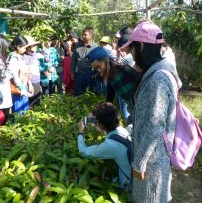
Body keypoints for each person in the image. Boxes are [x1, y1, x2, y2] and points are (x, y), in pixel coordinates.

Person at [120, 20, 181, 203]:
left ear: (140, 46)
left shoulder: (158, 79)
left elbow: (156, 125)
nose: (133, 55)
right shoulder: (157, 72)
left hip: (151, 162)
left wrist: (140, 161)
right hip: (152, 157)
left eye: (133, 49)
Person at [77, 102, 131, 189]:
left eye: (96, 121)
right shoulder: (122, 130)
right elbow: (113, 137)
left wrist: (80, 132)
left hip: (129, 183)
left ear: (101, 125)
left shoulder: (110, 146)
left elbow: (83, 152)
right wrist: (102, 129)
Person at [87, 47, 141, 127]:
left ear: (105, 61)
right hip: (132, 108)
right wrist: (94, 113)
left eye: (99, 66)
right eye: (95, 68)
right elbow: (109, 99)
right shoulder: (110, 78)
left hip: (141, 105)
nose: (98, 70)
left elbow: (142, 82)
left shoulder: (124, 69)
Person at [71, 27, 97, 96]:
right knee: (78, 94)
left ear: (91, 35)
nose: (83, 36)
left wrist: (96, 74)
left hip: (90, 74)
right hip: (79, 73)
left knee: (89, 94)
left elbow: (99, 62)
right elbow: (73, 60)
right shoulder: (77, 45)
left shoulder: (95, 47)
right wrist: (72, 73)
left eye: (85, 34)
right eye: (82, 34)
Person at [7, 36, 30, 113]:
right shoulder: (13, 58)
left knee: (24, 110)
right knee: (19, 112)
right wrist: (21, 88)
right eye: (24, 47)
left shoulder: (18, 56)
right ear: (18, 47)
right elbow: (14, 74)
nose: (25, 49)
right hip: (18, 89)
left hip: (22, 86)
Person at [22, 36, 41, 107]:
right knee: (32, 102)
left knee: (37, 100)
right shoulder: (25, 57)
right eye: (34, 45)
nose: (36, 46)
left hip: (37, 80)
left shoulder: (35, 54)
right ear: (28, 47)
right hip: (31, 82)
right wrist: (29, 84)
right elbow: (25, 73)